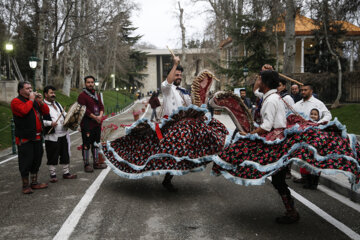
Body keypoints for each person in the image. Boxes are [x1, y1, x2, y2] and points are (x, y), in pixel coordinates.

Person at [241, 70, 300, 224]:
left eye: (259, 79)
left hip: (276, 141)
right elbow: (255, 90)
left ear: (265, 83)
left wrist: (249, 134)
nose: (257, 81)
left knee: (278, 180)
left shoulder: (271, 100)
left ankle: (292, 212)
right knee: (278, 180)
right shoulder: (271, 96)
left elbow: (267, 127)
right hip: (279, 139)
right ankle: (291, 211)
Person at [11, 81, 50, 194]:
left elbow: (46, 112)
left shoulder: (33, 101)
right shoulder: (16, 101)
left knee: (36, 160)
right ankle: (25, 185)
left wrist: (41, 102)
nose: (30, 90)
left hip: (37, 136)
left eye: (31, 88)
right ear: (20, 90)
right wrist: (31, 100)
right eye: (27, 88)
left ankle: (34, 182)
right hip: (25, 138)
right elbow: (24, 111)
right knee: (25, 162)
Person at [160, 56, 191, 191]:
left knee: (178, 154)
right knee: (171, 154)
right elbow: (167, 83)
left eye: (180, 75)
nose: (178, 77)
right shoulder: (167, 88)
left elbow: (190, 108)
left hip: (182, 128)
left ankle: (168, 178)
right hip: (168, 128)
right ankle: (167, 179)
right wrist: (175, 64)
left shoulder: (184, 91)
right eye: (176, 74)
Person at [292, 84, 332, 188]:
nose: (303, 92)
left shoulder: (318, 103)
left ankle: (314, 182)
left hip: (315, 136)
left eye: (305, 90)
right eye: (302, 90)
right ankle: (305, 178)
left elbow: (328, 115)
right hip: (301, 136)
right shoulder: (297, 104)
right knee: (303, 158)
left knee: (314, 158)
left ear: (311, 91)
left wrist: (318, 123)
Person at [43, 85, 77, 183]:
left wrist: (71, 119)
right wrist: (50, 123)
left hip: (63, 134)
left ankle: (66, 173)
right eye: (51, 93)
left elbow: (64, 114)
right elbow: (41, 120)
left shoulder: (57, 104)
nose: (53, 94)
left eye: (54, 93)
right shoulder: (43, 106)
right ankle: (52, 175)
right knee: (52, 155)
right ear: (45, 94)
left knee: (65, 154)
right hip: (52, 135)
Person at [78, 76, 107, 172]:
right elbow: (84, 109)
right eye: (88, 82)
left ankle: (96, 162)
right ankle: (86, 164)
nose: (90, 84)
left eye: (92, 82)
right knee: (86, 144)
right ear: (85, 84)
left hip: (97, 124)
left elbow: (101, 106)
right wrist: (95, 117)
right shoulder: (82, 96)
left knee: (96, 143)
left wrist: (100, 116)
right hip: (87, 124)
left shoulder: (96, 94)